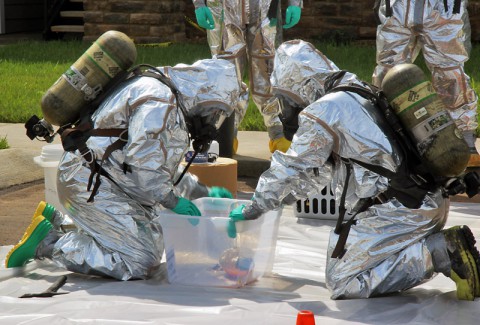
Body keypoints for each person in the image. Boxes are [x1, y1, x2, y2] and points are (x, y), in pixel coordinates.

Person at [228, 40, 480, 300]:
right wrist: (278, 201)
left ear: (298, 87)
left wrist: (254, 207)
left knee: (344, 282)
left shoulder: (324, 111)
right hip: (425, 201)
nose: (286, 110)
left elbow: (292, 167)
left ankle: (439, 252)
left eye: (285, 99)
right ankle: (437, 251)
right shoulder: (358, 92)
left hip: (397, 211)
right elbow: (316, 174)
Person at [5, 58, 240, 280]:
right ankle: (48, 243)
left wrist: (201, 193)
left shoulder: (163, 93)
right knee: (139, 259)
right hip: (91, 182)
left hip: (99, 175)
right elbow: (144, 167)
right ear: (206, 98)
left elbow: (159, 167)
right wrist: (173, 201)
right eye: (216, 114)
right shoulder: (161, 103)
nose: (213, 123)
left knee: (157, 230)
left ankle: (60, 222)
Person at [372, 0, 479, 165]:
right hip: (398, 6)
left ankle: (464, 139)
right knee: (388, 73)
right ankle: (386, 137)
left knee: (449, 72)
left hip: (442, 7)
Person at [193, 0, 303, 154]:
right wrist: (199, 4)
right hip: (223, 8)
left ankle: (277, 133)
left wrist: (295, 3)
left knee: (267, 72)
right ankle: (226, 134)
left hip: (264, 9)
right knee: (226, 75)